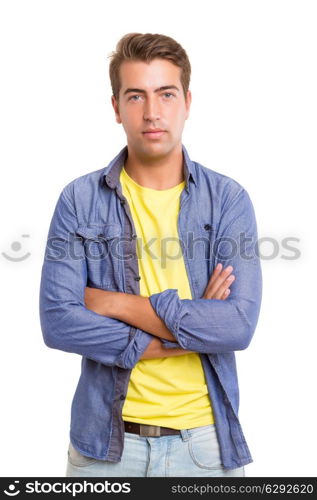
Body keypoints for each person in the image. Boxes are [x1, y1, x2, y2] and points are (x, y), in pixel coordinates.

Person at [39, 32, 262, 477]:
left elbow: (236, 325)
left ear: (187, 101)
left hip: (205, 448)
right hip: (104, 450)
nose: (152, 112)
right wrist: (190, 329)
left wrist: (115, 304)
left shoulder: (227, 200)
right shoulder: (79, 200)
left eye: (166, 94)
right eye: (136, 95)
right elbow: (58, 322)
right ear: (116, 107)